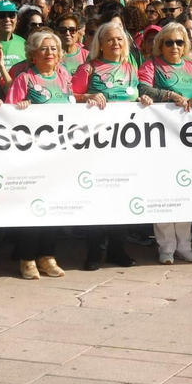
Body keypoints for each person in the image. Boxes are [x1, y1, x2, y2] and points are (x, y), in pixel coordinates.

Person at [72, 22, 147, 270]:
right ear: (100, 44)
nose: (116, 43)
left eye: (120, 39)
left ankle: (117, 248)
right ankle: (94, 250)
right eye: (111, 39)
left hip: (125, 144)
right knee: (97, 196)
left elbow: (133, 95)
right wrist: (87, 97)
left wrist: (142, 99)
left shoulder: (130, 68)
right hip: (95, 145)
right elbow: (68, 97)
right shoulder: (88, 68)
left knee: (120, 195)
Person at [139, 23, 192, 264]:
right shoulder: (151, 65)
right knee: (163, 191)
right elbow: (142, 88)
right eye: (169, 42)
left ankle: (185, 245)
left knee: (185, 190)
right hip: (160, 139)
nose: (174, 46)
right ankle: (166, 247)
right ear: (160, 44)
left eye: (179, 42)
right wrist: (170, 96)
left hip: (191, 141)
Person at [5, 30, 72, 279]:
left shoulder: (64, 75)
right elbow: (9, 116)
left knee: (54, 206)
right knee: (32, 207)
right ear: (33, 54)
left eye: (53, 48)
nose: (49, 53)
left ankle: (47, 255)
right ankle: (27, 258)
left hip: (60, 155)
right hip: (32, 157)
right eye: (43, 49)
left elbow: (73, 103)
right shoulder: (24, 79)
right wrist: (20, 108)